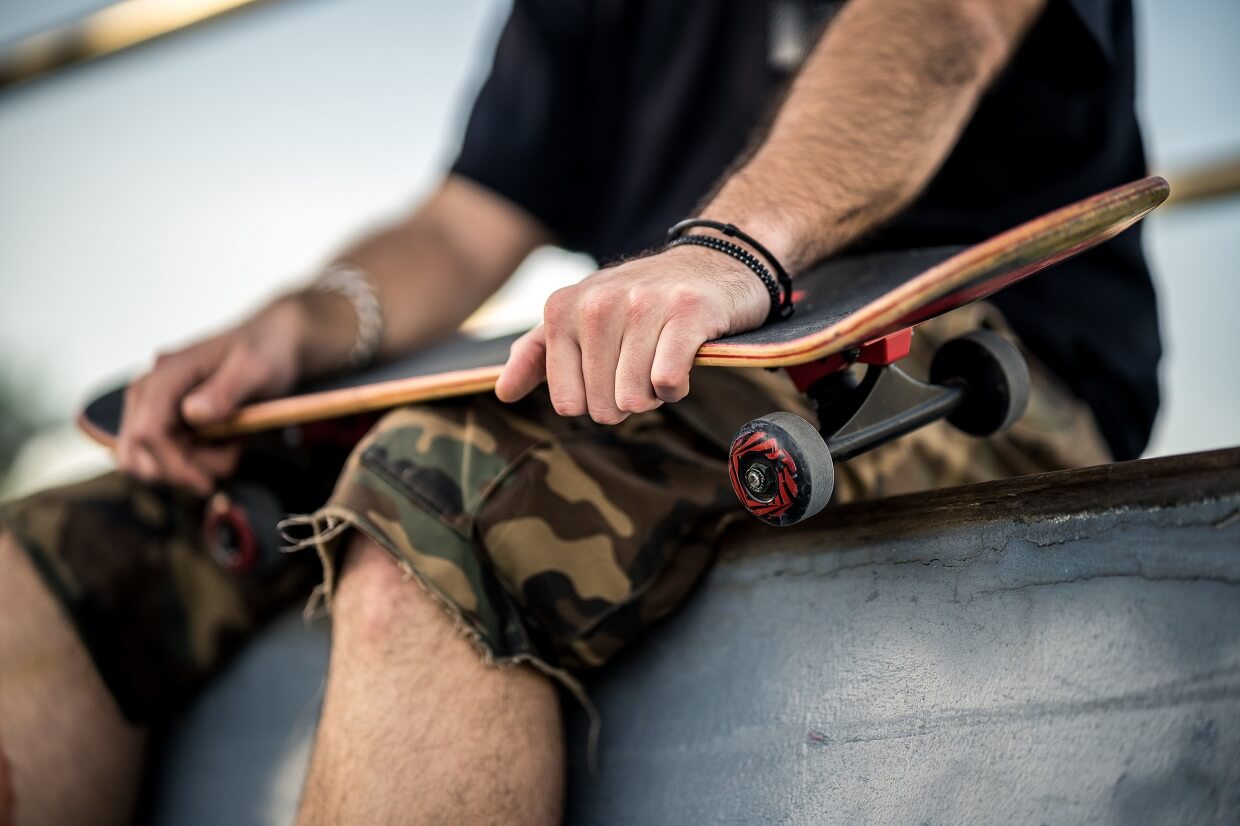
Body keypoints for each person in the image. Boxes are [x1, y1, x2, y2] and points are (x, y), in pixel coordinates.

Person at [0, 0, 1160, 823]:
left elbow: (946, 24)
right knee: (48, 561)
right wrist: (312, 319)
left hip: (967, 357)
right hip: (650, 368)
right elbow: (462, 227)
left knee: (438, 510)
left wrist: (732, 247)